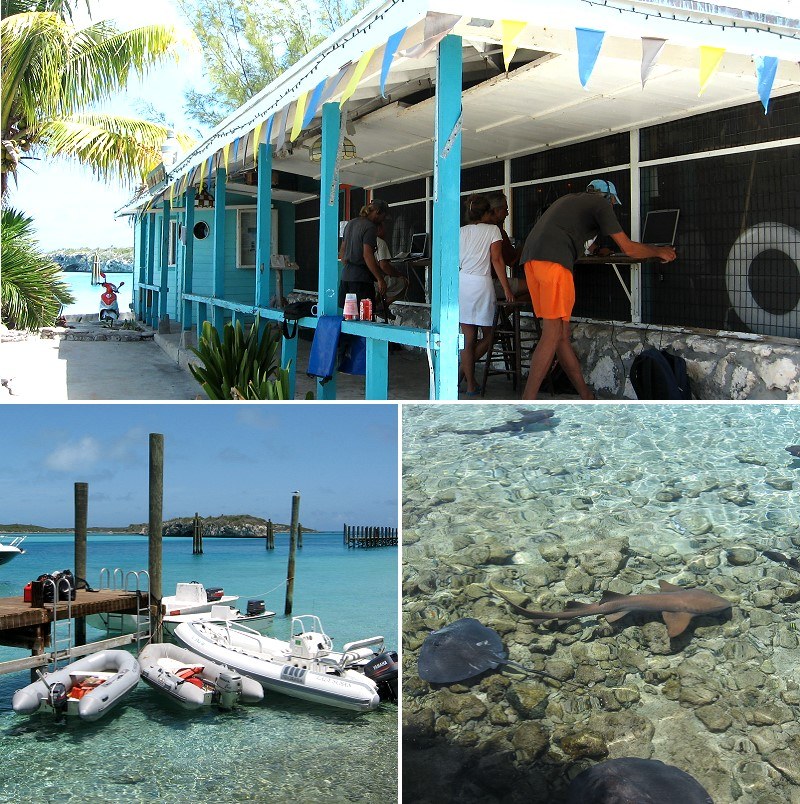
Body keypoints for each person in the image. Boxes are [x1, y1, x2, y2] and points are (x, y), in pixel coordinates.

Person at [520, 178, 677, 400]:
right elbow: (629, 249)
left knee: (560, 336)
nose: (613, 207)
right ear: (607, 196)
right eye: (613, 202)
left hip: (531, 262)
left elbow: (577, 237)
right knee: (552, 334)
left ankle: (587, 397)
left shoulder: (571, 199)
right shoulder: (601, 204)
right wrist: (659, 251)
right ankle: (526, 404)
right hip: (554, 263)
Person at [459, 194, 515, 397]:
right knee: (490, 336)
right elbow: (498, 260)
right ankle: (462, 374)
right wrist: (507, 288)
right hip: (482, 284)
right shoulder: (493, 230)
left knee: (467, 338)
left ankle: (470, 383)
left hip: (462, 283)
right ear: (488, 212)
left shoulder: (461, 231)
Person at [338, 199, 389, 308]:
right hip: (361, 280)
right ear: (378, 212)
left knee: (349, 316)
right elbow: (367, 255)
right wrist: (380, 279)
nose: (383, 220)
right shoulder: (370, 227)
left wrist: (350, 267)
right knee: (364, 317)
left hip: (345, 277)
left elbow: (342, 250)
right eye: (384, 216)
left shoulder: (351, 223)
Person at [373, 222, 409, 320]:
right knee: (404, 282)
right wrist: (398, 274)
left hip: (367, 280)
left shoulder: (364, 241)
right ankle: (383, 305)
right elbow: (384, 266)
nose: (385, 231)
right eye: (383, 228)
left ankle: (378, 305)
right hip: (377, 281)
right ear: (379, 229)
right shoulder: (380, 242)